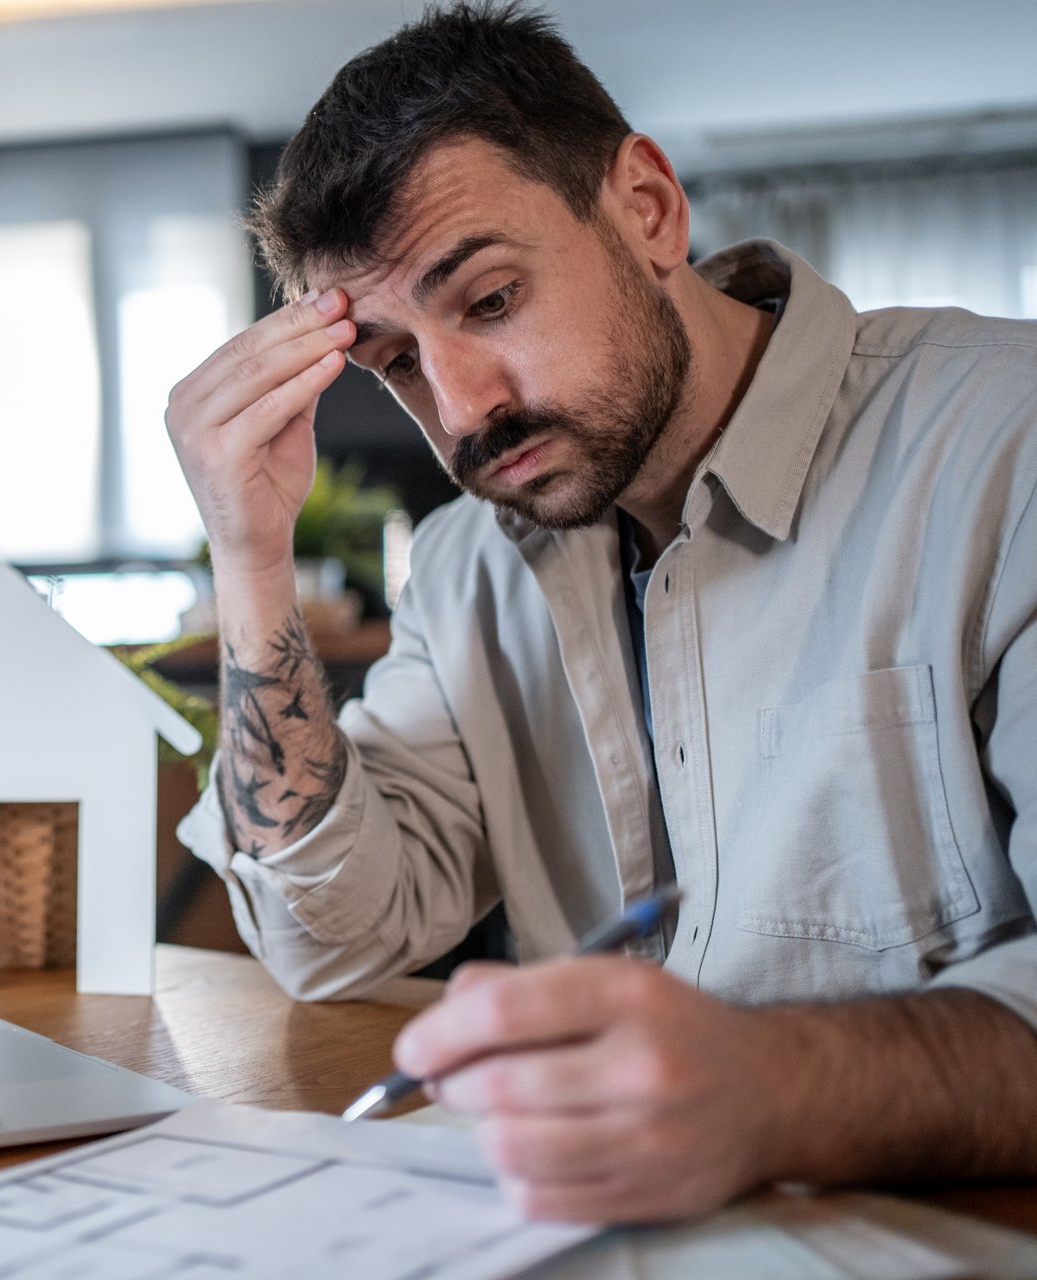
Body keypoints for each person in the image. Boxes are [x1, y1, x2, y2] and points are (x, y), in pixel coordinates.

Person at [165, 1, 1037, 1223]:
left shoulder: (1008, 446)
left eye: (490, 299)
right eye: (398, 361)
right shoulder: (471, 568)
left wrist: (773, 1087)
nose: (461, 410)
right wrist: (250, 557)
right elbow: (337, 936)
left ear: (647, 211)